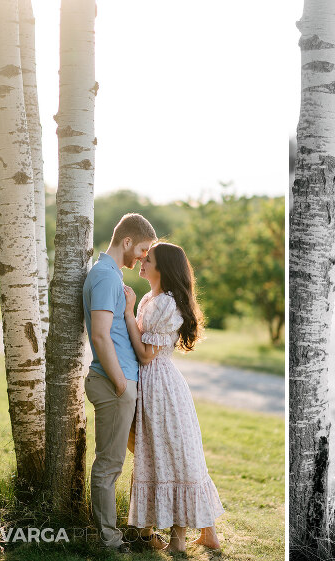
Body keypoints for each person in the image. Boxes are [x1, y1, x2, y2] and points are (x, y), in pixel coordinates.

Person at [123, 241, 224, 552]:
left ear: (162, 268)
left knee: (174, 457)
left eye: (148, 258)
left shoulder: (165, 304)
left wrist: (127, 312)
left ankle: (179, 540)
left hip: (161, 387)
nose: (142, 260)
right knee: (163, 455)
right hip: (150, 385)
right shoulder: (150, 300)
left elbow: (145, 355)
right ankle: (201, 534)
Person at [82, 213, 157, 553]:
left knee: (135, 460)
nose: (143, 257)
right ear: (127, 242)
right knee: (109, 466)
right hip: (115, 385)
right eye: (142, 249)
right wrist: (121, 384)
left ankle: (142, 529)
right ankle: (110, 542)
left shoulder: (110, 276)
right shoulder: (105, 277)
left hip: (123, 382)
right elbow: (99, 335)